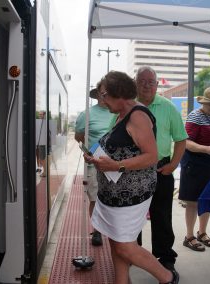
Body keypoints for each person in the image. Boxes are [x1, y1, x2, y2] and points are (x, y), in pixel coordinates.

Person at [87, 71, 179, 284]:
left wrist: (116, 165)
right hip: (111, 195)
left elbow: (151, 156)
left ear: (118, 93)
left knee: (124, 246)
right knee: (115, 243)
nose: (102, 100)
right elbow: (123, 148)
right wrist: (97, 157)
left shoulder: (138, 115)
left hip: (130, 196)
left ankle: (166, 277)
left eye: (104, 95)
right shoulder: (119, 115)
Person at [135, 66, 187, 272]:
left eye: (151, 81)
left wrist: (173, 165)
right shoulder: (128, 107)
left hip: (161, 169)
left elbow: (181, 140)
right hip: (133, 171)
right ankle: (132, 251)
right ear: (135, 83)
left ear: (157, 85)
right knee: (133, 215)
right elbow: (110, 136)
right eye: (142, 81)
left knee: (162, 216)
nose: (147, 85)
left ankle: (165, 258)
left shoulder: (168, 107)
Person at [178, 87, 210, 252]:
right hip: (195, 162)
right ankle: (189, 236)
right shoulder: (195, 115)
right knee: (192, 201)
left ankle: (202, 232)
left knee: (207, 198)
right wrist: (205, 148)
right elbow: (186, 142)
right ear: (204, 103)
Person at [75, 81, 115, 246]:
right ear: (97, 94)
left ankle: (113, 230)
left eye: (108, 92)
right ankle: (96, 231)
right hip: (95, 164)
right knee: (95, 199)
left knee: (113, 199)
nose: (105, 96)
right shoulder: (87, 114)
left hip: (116, 163)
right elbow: (78, 136)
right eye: (103, 93)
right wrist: (90, 150)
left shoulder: (118, 112)